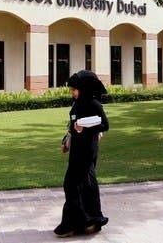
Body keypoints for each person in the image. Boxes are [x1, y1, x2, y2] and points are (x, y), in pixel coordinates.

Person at [54, 70, 109, 238]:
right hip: (77, 150)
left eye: (74, 89)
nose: (72, 92)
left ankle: (76, 224)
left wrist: (86, 128)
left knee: (73, 184)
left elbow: (104, 125)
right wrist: (67, 142)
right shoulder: (77, 104)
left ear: (83, 88)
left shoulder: (94, 104)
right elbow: (72, 126)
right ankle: (87, 222)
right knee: (81, 186)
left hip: (87, 151)